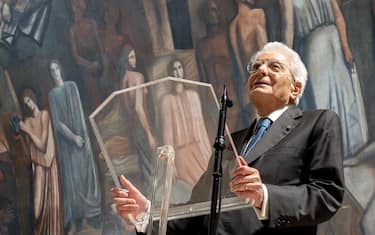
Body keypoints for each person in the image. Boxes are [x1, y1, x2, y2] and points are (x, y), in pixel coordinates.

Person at [112, 42, 345, 235]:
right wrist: (147, 213)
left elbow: (326, 195)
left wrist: (264, 195)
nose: (261, 71)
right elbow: (196, 213)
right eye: (255, 67)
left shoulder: (317, 123)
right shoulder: (228, 142)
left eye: (274, 66)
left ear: (295, 88)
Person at [293, 0, 368, 159]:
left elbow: (338, 15)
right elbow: (290, 30)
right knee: (324, 101)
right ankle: (333, 154)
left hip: (332, 41)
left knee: (343, 94)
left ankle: (349, 150)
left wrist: (346, 48)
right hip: (315, 47)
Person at [48, 60, 102, 233]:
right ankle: (75, 221)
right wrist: (73, 138)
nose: (55, 72)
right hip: (67, 143)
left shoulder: (71, 87)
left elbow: (78, 112)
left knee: (84, 177)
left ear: (61, 70)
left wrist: (81, 138)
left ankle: (86, 218)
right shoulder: (52, 95)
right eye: (52, 70)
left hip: (81, 138)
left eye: (56, 68)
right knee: (73, 182)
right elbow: (58, 123)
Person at [159, 59, 212, 202]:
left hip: (199, 148)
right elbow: (167, 134)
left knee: (210, 184)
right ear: (170, 73)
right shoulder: (166, 101)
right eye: (174, 69)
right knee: (195, 190)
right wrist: (172, 163)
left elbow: (201, 128)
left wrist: (209, 154)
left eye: (180, 67)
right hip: (181, 153)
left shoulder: (194, 95)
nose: (177, 72)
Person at [18, 88, 63, 235]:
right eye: (25, 103)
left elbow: (43, 146)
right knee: (37, 208)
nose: (28, 105)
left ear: (33, 99)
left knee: (53, 204)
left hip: (49, 163)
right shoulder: (27, 121)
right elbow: (28, 149)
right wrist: (21, 134)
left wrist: (27, 131)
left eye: (29, 101)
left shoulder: (44, 115)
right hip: (37, 165)